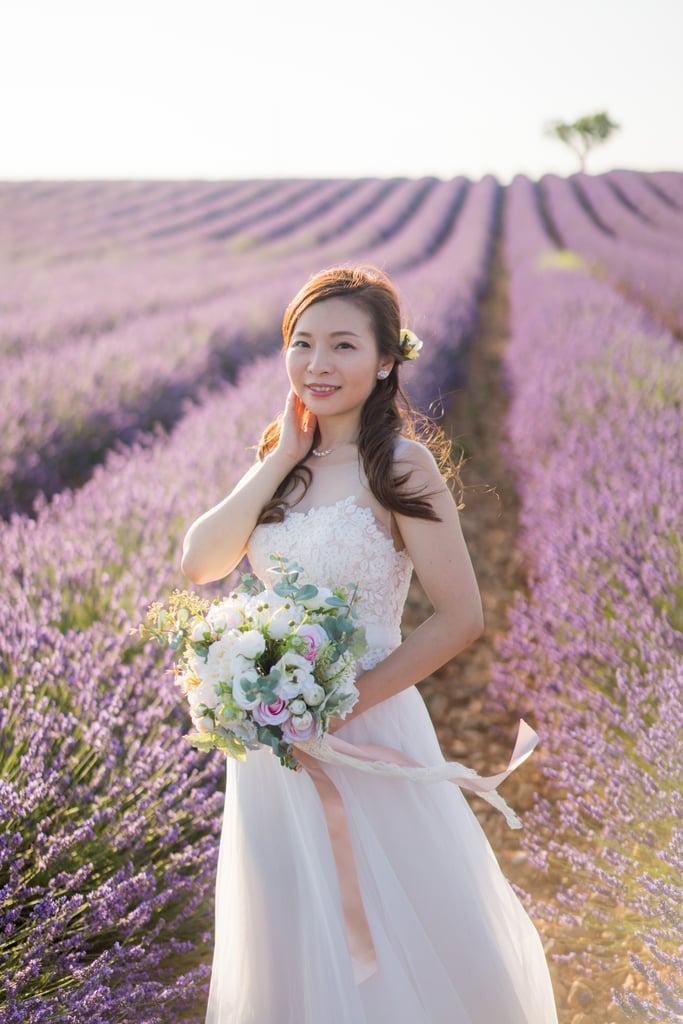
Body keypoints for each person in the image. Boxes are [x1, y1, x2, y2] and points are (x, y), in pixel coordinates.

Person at [181, 265, 559, 1023]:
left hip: (366, 726)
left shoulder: (400, 464)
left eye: (343, 345)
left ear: (386, 359)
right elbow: (200, 562)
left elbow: (459, 617)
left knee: (398, 925)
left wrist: (341, 703)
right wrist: (280, 457)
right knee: (291, 932)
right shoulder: (279, 463)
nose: (317, 364)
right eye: (302, 344)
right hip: (273, 752)